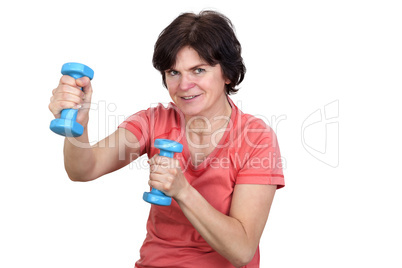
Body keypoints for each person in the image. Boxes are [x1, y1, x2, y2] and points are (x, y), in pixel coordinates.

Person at [49, 10, 285, 268]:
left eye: (198, 70)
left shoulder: (256, 138)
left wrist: (183, 191)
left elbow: (242, 251)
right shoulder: (153, 122)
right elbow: (84, 169)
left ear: (227, 74)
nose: (184, 85)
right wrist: (78, 128)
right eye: (173, 72)